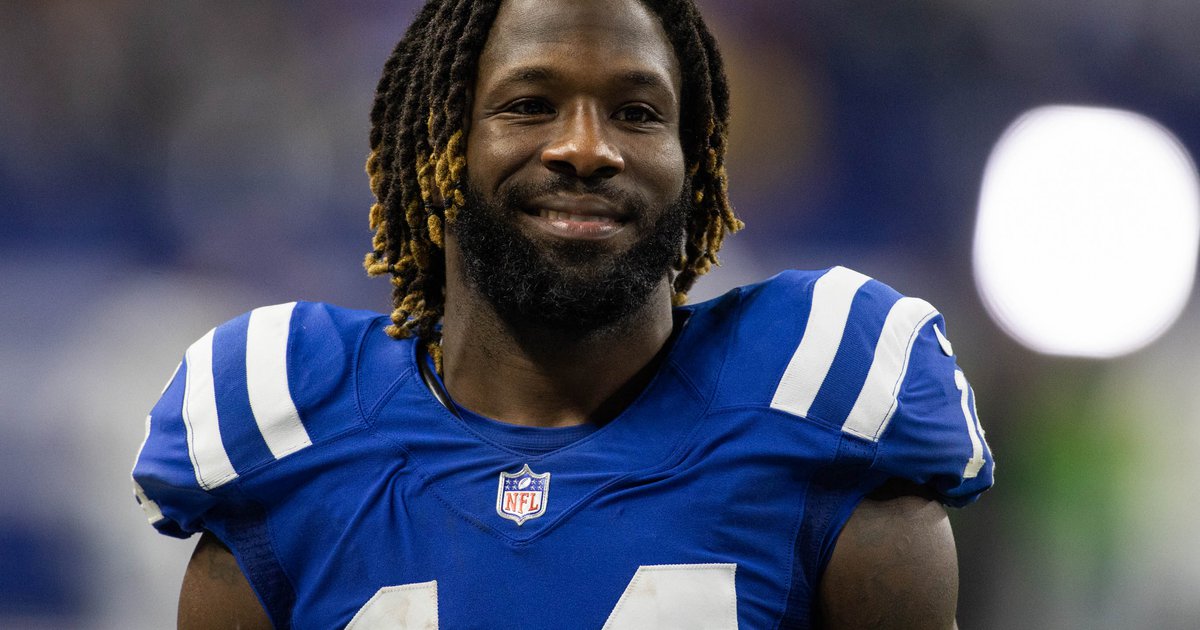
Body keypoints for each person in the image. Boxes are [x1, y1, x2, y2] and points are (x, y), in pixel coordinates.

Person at [132, 0, 994, 627]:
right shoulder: (286, 429)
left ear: (695, 162)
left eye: (637, 112)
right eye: (528, 104)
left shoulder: (824, 400)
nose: (585, 147)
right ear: (443, 145)